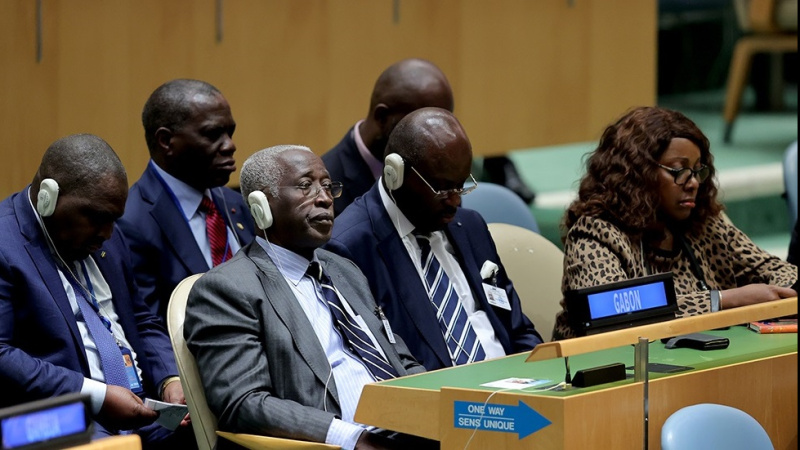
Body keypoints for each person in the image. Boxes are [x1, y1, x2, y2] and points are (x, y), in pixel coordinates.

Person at [183, 145, 431, 449]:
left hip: (406, 430)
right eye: (305, 186)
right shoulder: (228, 289)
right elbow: (243, 403)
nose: (325, 198)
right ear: (261, 206)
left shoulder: (343, 269)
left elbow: (399, 359)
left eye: (327, 186)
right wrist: (350, 438)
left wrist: (437, 405)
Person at [0, 134, 195, 447]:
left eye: (114, 219)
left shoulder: (104, 236)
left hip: (137, 405)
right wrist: (97, 395)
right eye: (97, 217)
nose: (107, 233)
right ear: (48, 197)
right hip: (45, 416)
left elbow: (140, 318)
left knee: (213, 427)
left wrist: (169, 379)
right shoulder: (5, 244)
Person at [553, 106, 799, 340]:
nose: (693, 183)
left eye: (697, 171)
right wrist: (724, 300)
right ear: (638, 173)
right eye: (678, 170)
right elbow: (611, 313)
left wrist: (785, 289)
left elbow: (777, 270)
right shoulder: (595, 233)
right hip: (602, 366)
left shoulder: (703, 226)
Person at [325, 107, 543, 371]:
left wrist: (536, 376)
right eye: (441, 189)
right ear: (395, 174)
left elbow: (518, 330)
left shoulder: (469, 225)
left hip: (514, 382)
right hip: (434, 390)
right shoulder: (349, 248)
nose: (455, 201)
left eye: (461, 185)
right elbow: (379, 363)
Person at [322, 58, 535, 217]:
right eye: (422, 125)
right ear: (382, 117)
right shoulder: (328, 191)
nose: (438, 136)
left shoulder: (435, 168)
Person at [118, 79, 255, 322]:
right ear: (166, 141)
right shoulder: (131, 223)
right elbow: (150, 327)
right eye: (212, 134)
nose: (230, 146)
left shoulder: (239, 204)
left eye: (230, 133)